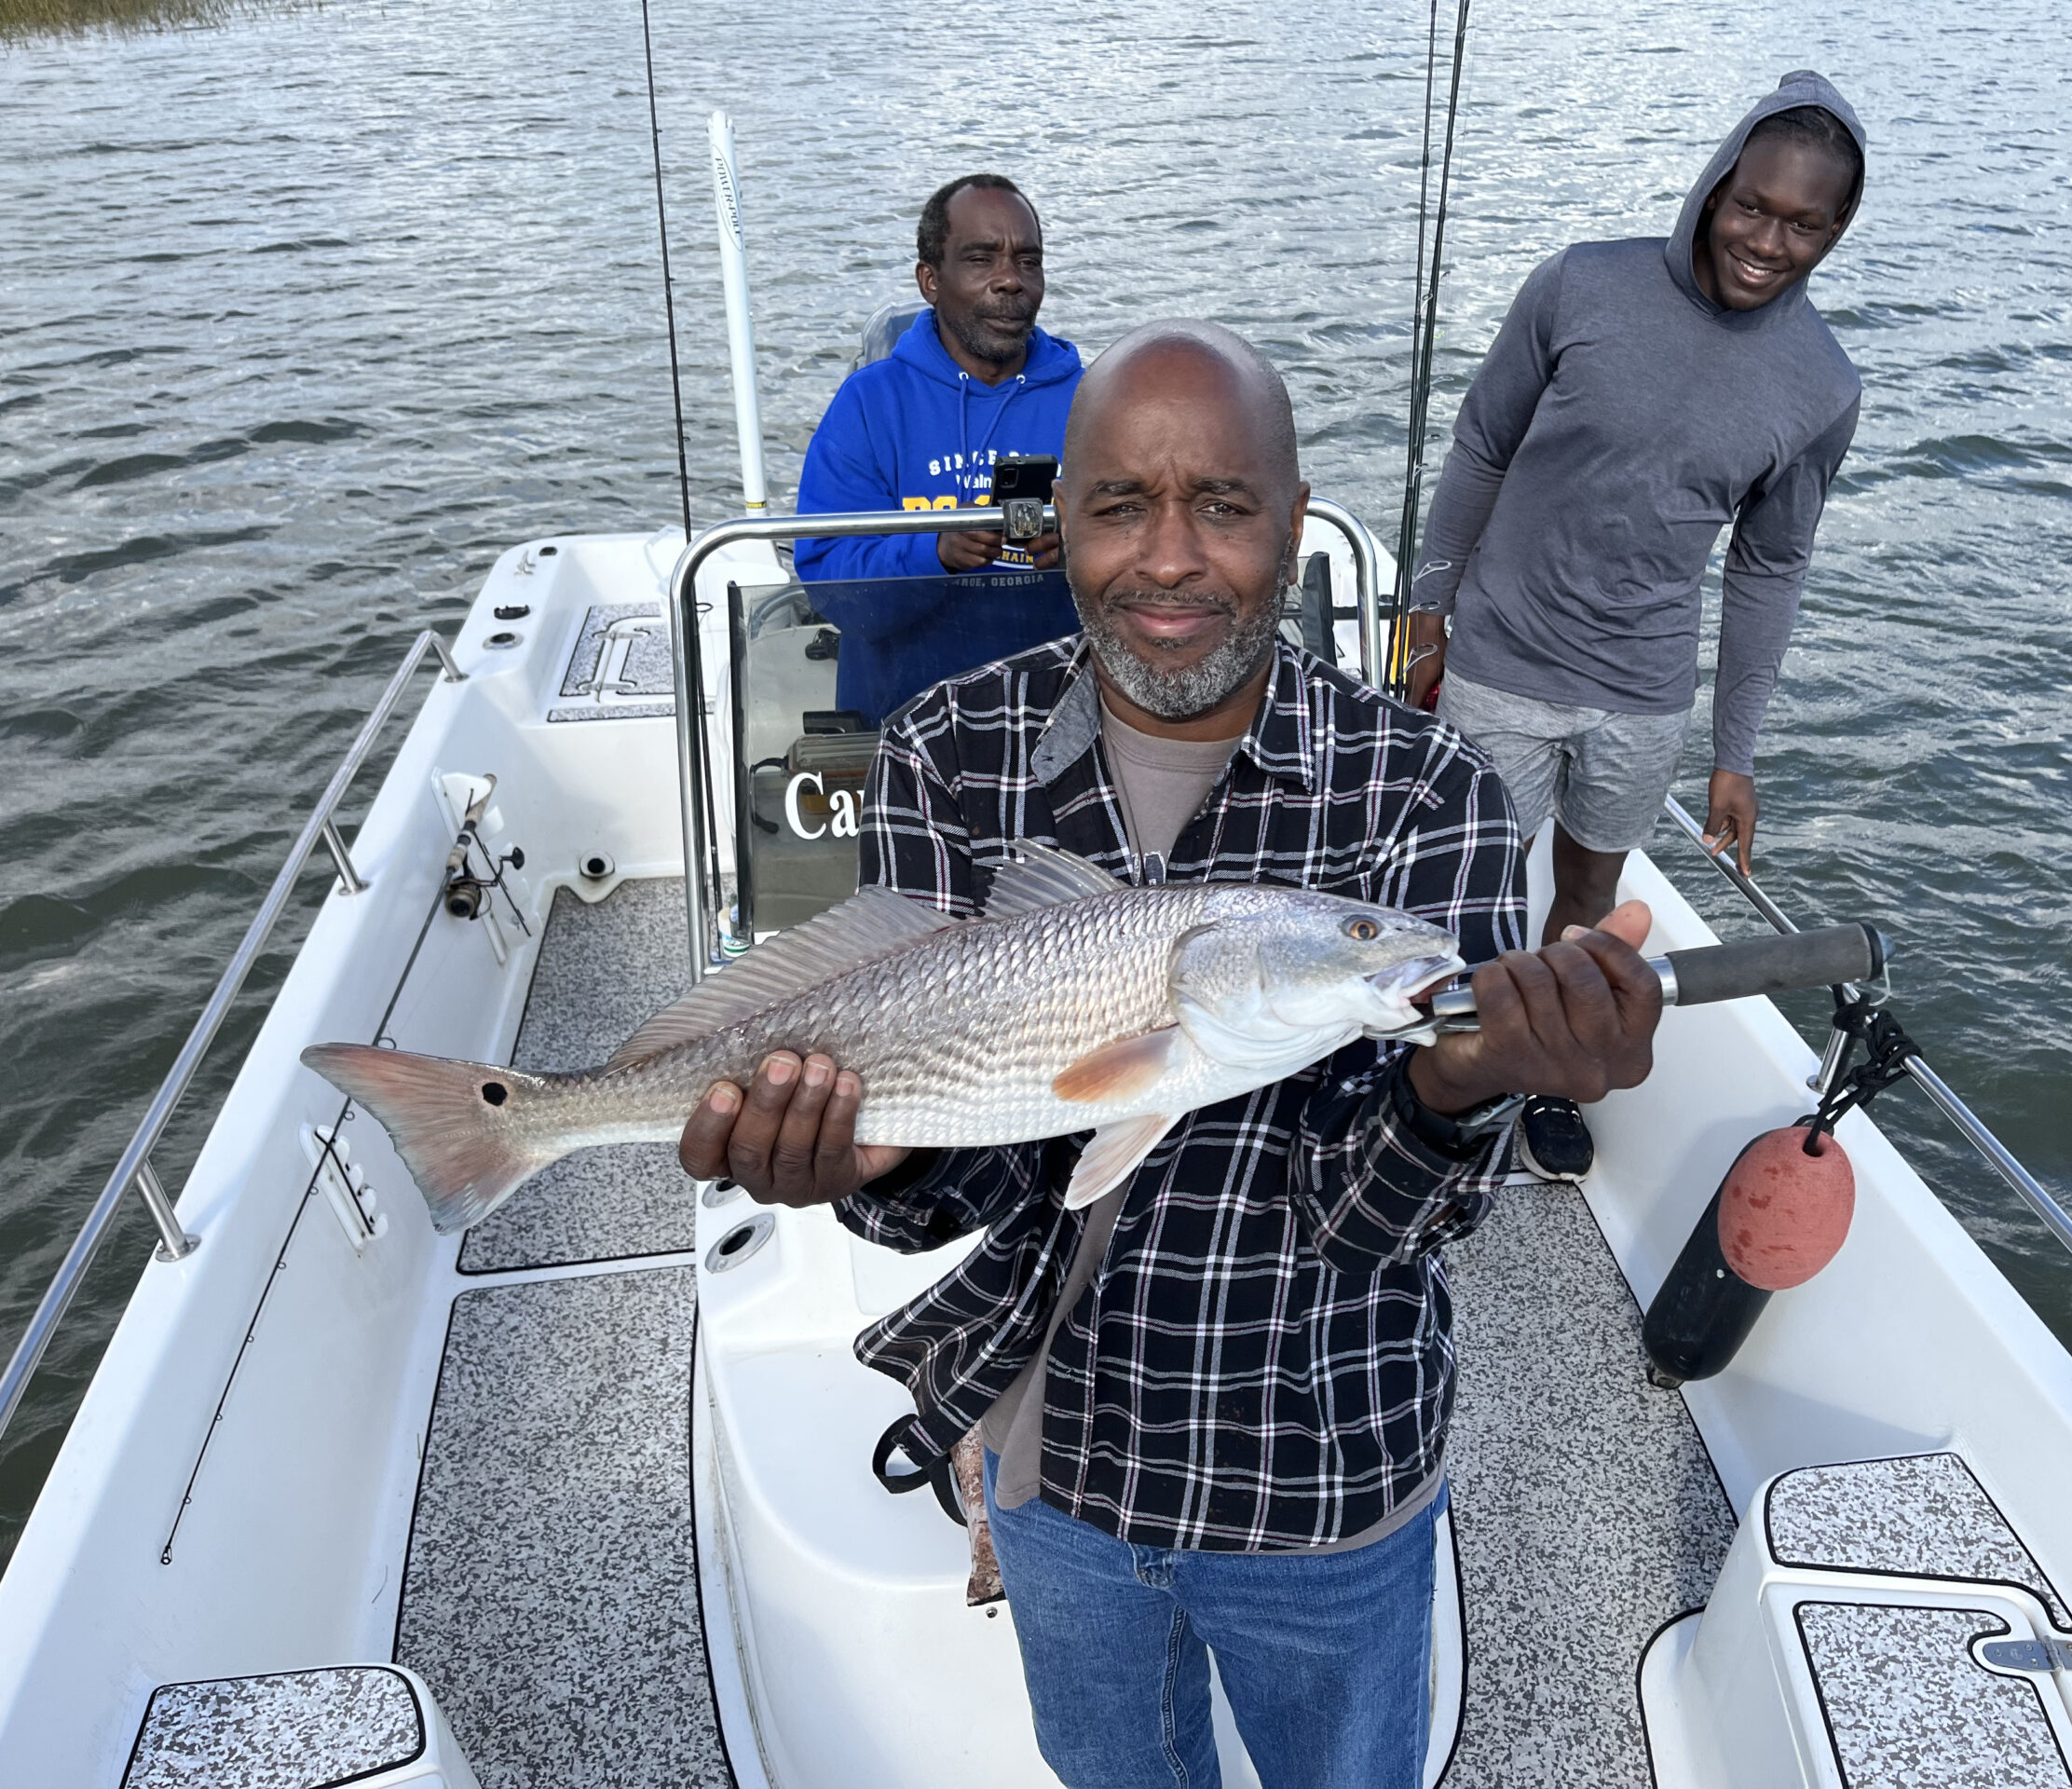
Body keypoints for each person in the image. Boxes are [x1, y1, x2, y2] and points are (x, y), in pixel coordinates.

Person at [681, 321, 1663, 1788]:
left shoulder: (1425, 789)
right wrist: (852, 1167)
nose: (1171, 561)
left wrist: (1465, 1084)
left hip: (1319, 1467)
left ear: (1292, 516)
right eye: (1120, 506)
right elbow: (939, 1193)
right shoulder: (953, 749)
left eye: (1225, 505)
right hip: (1048, 1457)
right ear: (1058, 522)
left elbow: (1384, 1224)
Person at [1401, 71, 1867, 1186]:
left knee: (1588, 900)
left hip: (1642, 694)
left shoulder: (1824, 386)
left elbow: (1771, 565)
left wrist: (1734, 755)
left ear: (1836, 229)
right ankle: (1438, 1093)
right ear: (1715, 188)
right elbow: (1479, 447)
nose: (1768, 239)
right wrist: (1426, 609)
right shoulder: (1580, 285)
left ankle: (1543, 1081)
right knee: (1462, 891)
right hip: (1501, 660)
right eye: (1752, 205)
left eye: (1804, 223)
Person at [791, 173, 1083, 724]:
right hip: (904, 728)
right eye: (980, 259)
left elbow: (1149, 560)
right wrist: (935, 554)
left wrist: (1081, 554)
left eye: (1027, 260)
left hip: (1060, 721)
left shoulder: (1096, 401)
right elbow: (829, 581)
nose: (1009, 281)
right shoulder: (870, 403)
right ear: (930, 280)